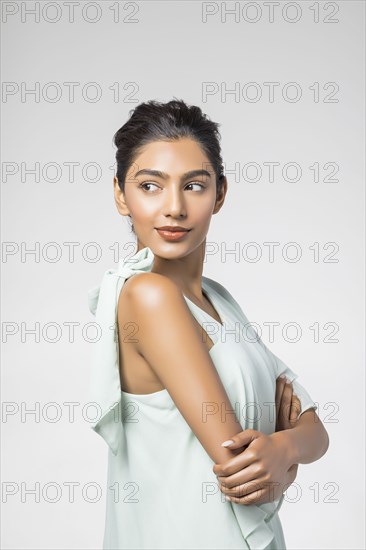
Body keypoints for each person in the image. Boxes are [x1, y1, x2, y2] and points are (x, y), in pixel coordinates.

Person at [88, 99, 329, 550]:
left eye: (194, 186)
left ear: (220, 193)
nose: (174, 208)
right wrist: (284, 451)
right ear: (121, 194)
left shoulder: (219, 300)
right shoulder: (147, 296)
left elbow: (316, 429)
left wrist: (284, 450)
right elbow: (243, 475)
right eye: (150, 186)